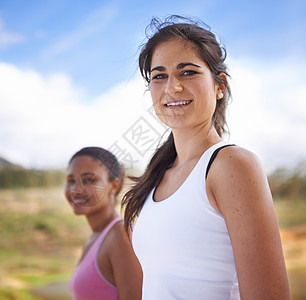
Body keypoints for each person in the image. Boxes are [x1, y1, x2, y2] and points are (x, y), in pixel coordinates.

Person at [122, 16, 290, 299]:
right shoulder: (158, 176)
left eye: (187, 72)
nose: (172, 87)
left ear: (219, 86)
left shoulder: (232, 165)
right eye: (159, 76)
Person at [65, 146, 142, 300]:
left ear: (114, 185)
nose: (76, 189)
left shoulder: (121, 236)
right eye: (71, 180)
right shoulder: (97, 236)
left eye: (88, 180)